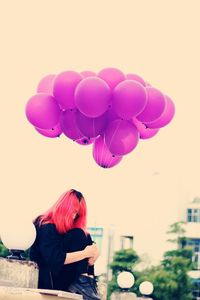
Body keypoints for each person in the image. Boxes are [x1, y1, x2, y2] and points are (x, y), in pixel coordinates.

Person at [30, 189, 101, 300]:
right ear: (64, 208)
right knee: (79, 234)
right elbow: (56, 259)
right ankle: (83, 282)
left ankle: (87, 281)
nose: (74, 216)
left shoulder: (67, 231)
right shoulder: (46, 225)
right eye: (73, 212)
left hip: (64, 277)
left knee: (84, 234)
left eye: (77, 214)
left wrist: (94, 252)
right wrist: (86, 253)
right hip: (48, 279)